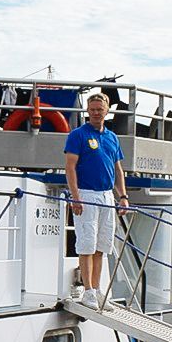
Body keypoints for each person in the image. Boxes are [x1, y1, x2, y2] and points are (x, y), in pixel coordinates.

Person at [64, 89, 128, 303]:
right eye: (92, 110)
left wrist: (123, 196)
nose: (96, 113)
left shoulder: (112, 138)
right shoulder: (78, 135)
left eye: (100, 110)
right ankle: (88, 290)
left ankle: (98, 289)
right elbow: (70, 167)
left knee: (102, 245)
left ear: (107, 111)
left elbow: (118, 169)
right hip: (86, 193)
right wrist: (75, 197)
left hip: (106, 196)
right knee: (86, 244)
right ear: (87, 111)